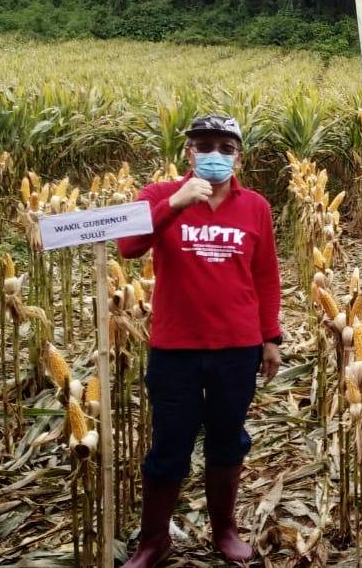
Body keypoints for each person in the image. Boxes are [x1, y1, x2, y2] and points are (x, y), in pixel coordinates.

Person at [115, 114, 283, 567]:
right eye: (204, 145)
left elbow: (266, 276)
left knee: (228, 441)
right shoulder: (157, 196)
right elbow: (128, 246)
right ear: (187, 152)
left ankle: (224, 530)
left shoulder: (256, 207)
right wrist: (175, 203)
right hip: (175, 349)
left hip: (236, 347)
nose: (215, 154)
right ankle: (153, 541)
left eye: (225, 147)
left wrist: (271, 337)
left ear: (238, 156)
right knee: (170, 444)